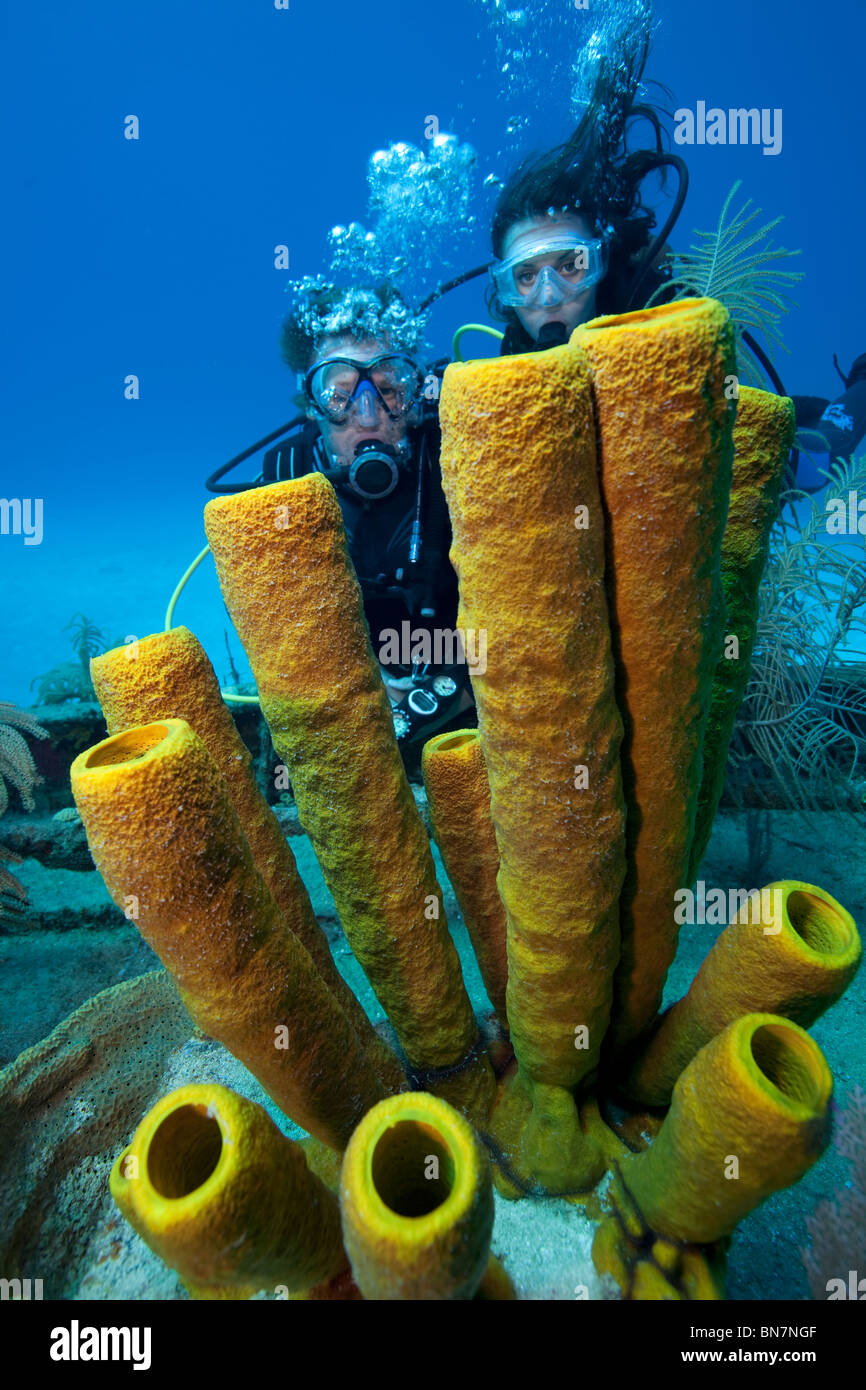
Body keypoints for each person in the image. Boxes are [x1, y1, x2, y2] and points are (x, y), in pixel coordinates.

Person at [273, 281, 475, 758]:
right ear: (312, 405)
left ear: (415, 395)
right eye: (341, 396)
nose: (368, 417)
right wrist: (363, 695)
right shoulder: (286, 481)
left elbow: (517, 609)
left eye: (388, 390)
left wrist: (458, 688)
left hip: (469, 676)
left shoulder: (454, 457)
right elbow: (287, 637)